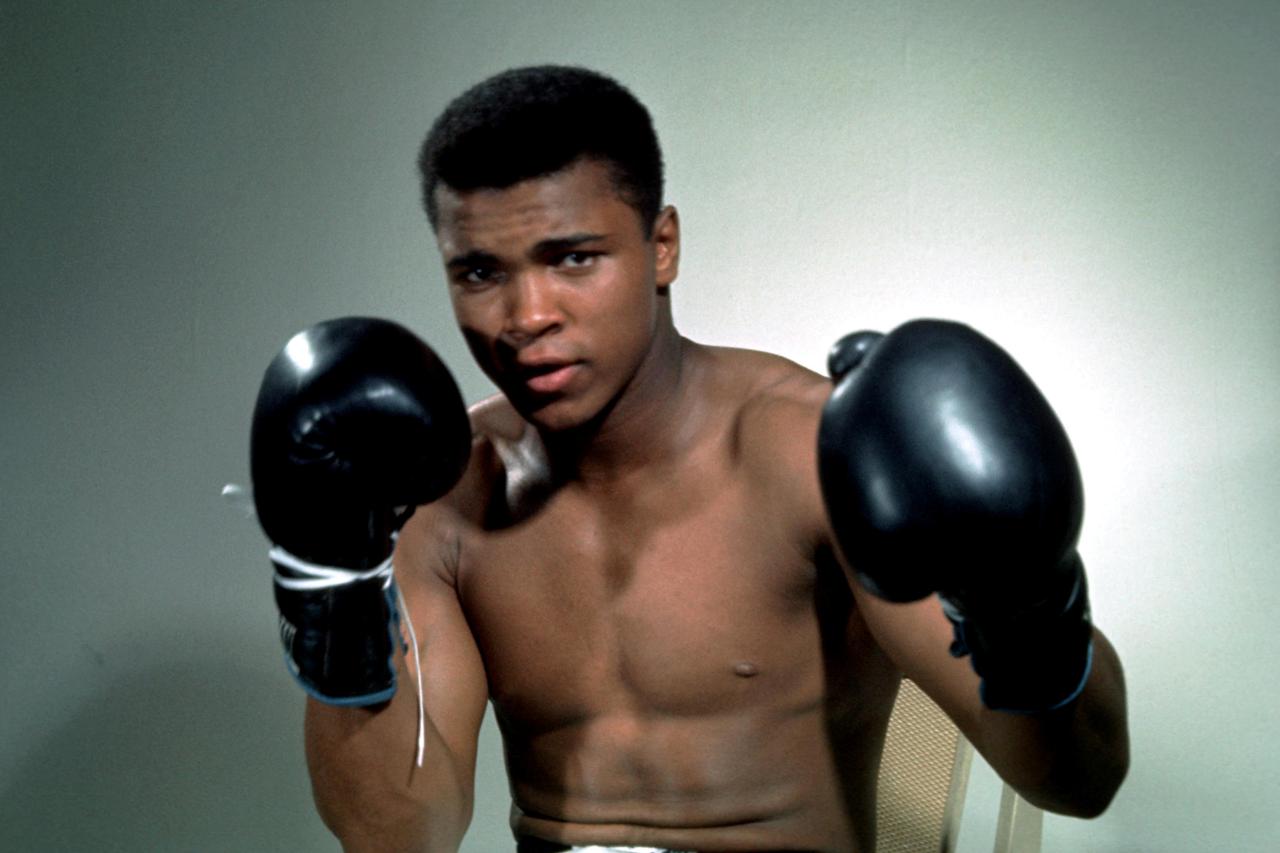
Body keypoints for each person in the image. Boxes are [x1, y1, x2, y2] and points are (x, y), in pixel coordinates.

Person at [249, 65, 1129, 853]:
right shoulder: (442, 495)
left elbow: (1079, 783)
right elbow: (401, 836)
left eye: (573, 258)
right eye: (480, 273)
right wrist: (330, 593)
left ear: (660, 246)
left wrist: (1028, 609)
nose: (526, 315)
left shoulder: (808, 454)